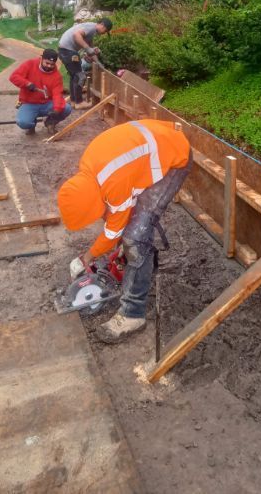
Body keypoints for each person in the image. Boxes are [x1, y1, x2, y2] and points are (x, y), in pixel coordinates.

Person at [57, 119, 192, 344]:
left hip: (175, 157)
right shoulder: (89, 172)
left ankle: (132, 314)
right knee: (130, 225)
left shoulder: (114, 182)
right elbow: (114, 213)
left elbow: (113, 231)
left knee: (135, 236)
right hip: (157, 147)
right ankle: (139, 263)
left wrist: (86, 258)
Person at [9, 48, 71, 135]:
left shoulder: (57, 76)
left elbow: (57, 94)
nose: (49, 66)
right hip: (28, 103)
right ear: (41, 58)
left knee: (66, 108)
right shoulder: (30, 64)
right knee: (23, 122)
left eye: (52, 64)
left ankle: (50, 122)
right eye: (47, 63)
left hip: (46, 104)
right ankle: (31, 125)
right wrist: (27, 84)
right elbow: (13, 77)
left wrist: (57, 109)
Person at [57, 18, 112, 109]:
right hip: (67, 51)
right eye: (105, 30)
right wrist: (87, 48)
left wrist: (98, 62)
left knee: (74, 76)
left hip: (64, 50)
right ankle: (79, 102)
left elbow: (90, 49)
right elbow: (76, 35)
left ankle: (74, 101)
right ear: (102, 24)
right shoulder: (91, 28)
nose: (104, 33)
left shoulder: (91, 32)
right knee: (80, 76)